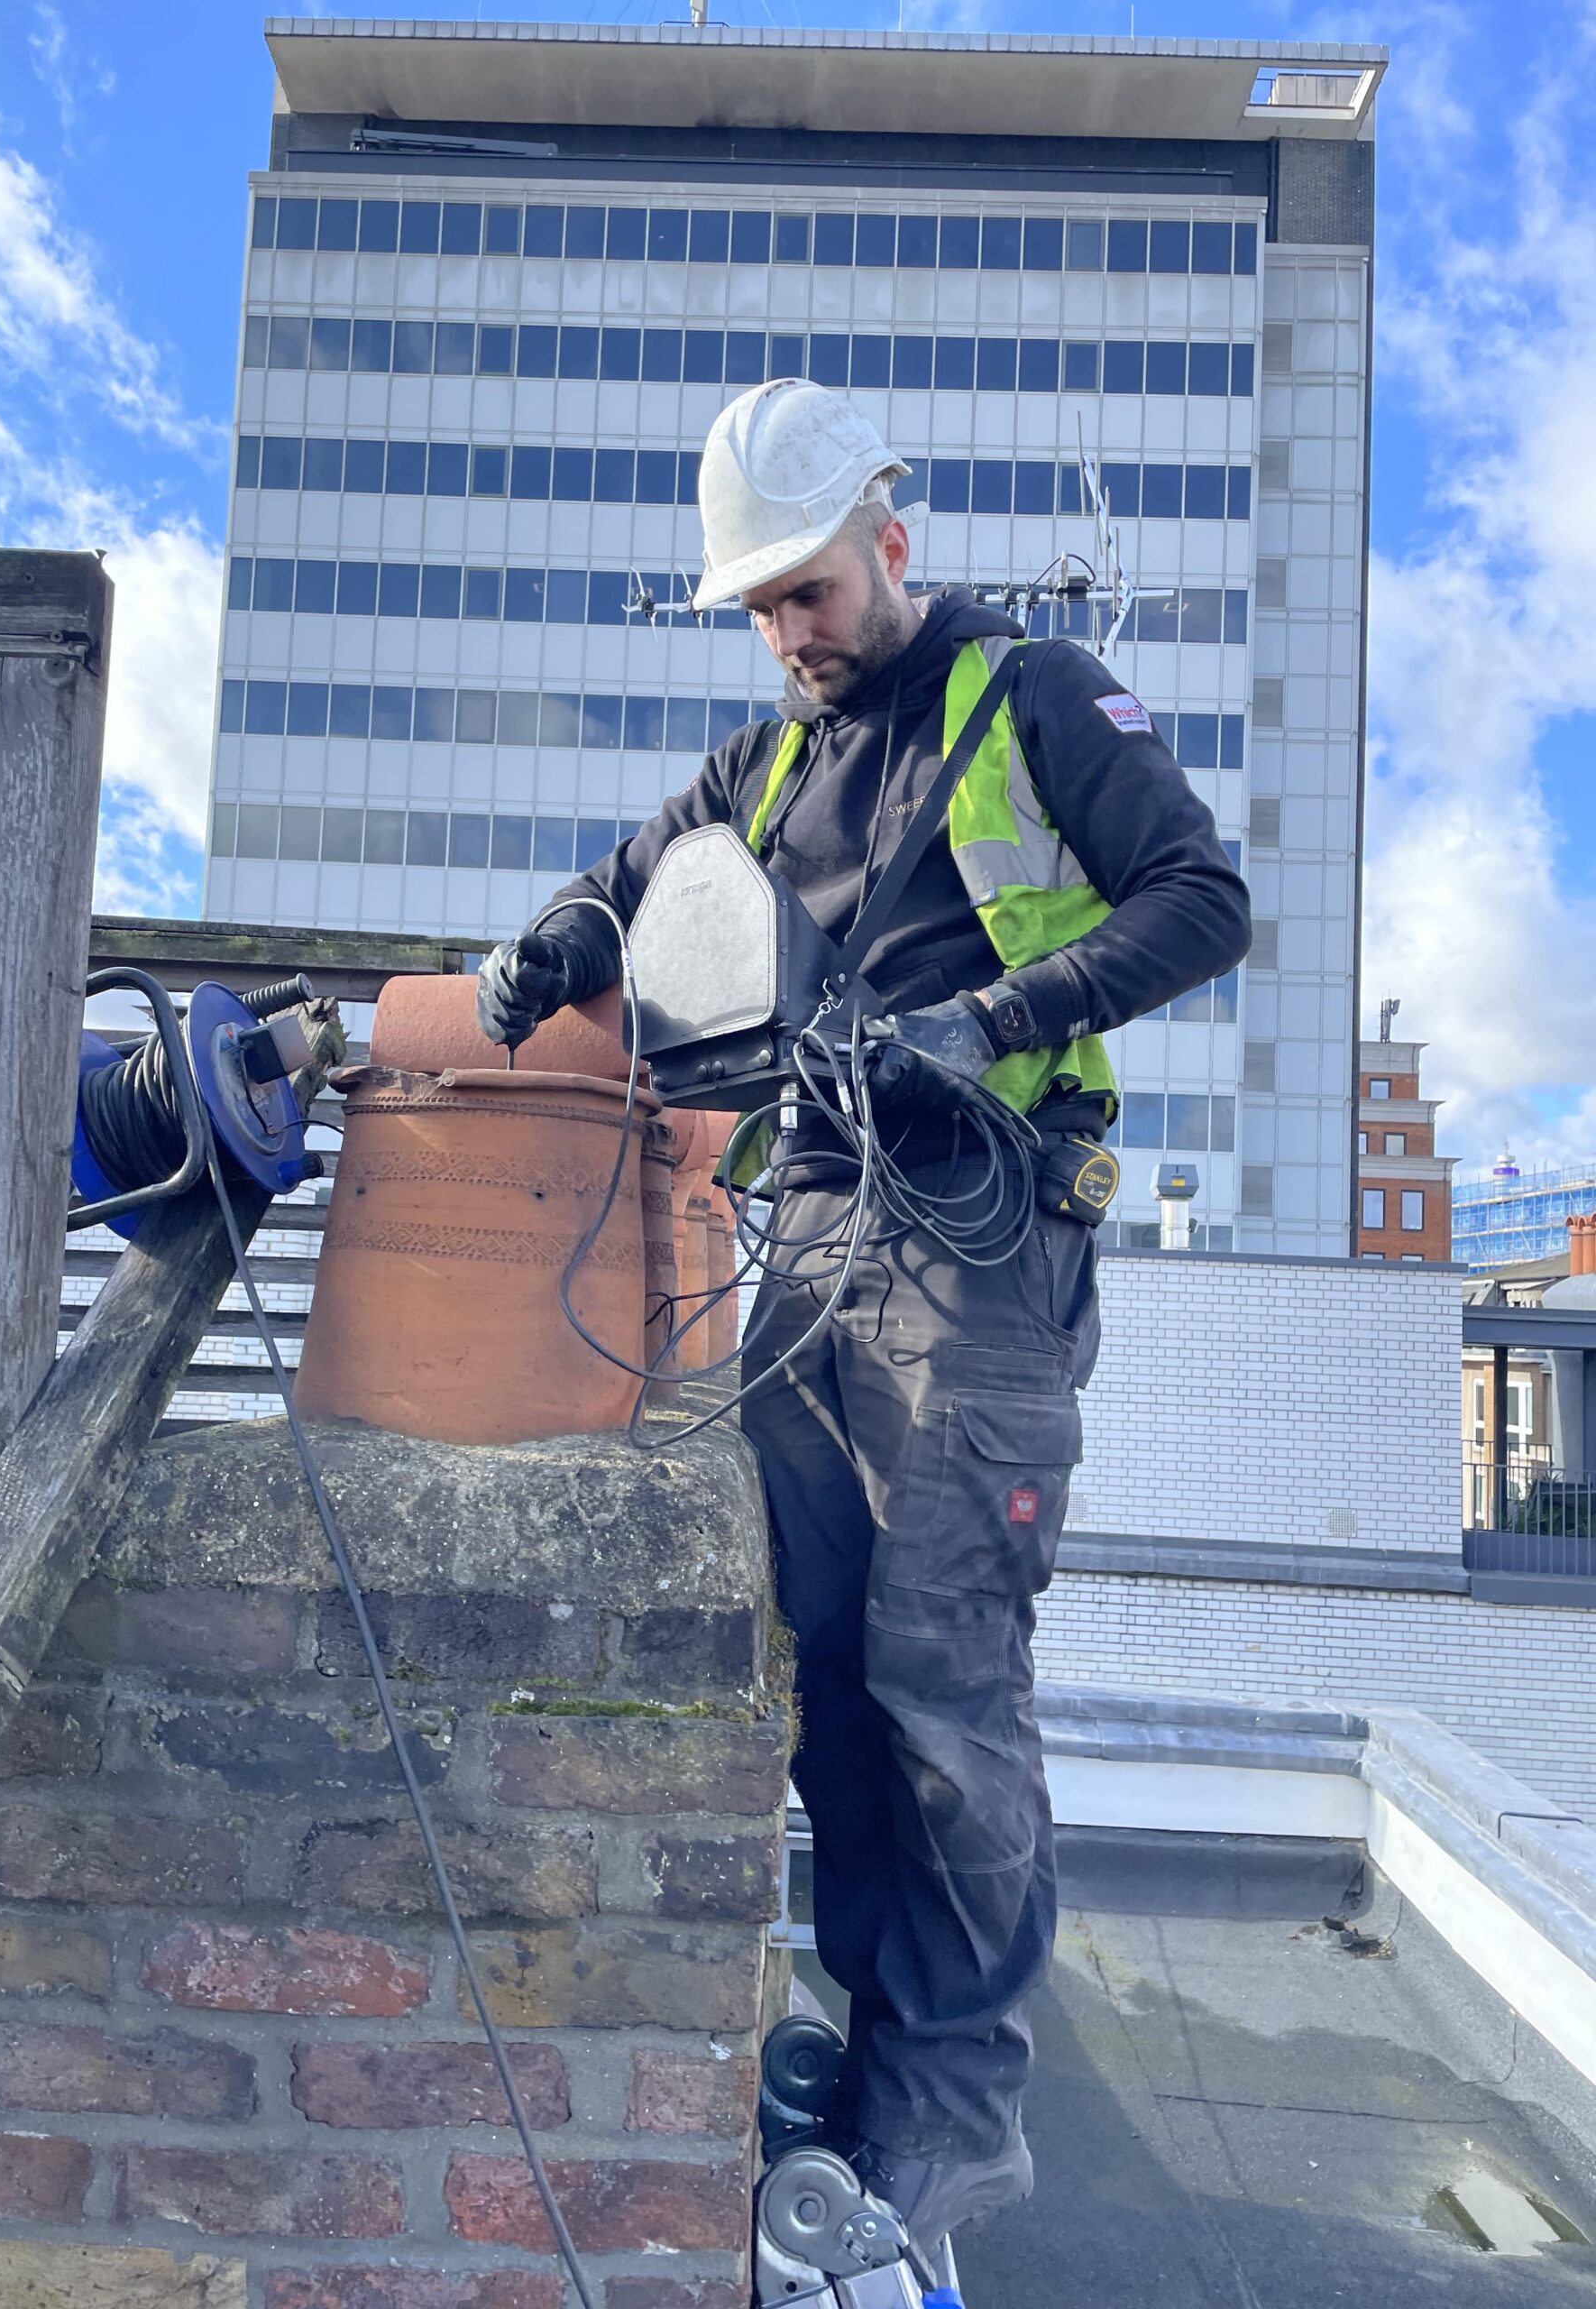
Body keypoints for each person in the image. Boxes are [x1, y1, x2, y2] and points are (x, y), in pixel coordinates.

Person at [477, 379, 1251, 2257]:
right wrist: (559, 939)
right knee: (822, 1656)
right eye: (760, 605)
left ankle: (957, 2116)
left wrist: (980, 1022)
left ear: (888, 541)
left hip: (981, 1248)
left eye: (811, 590)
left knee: (941, 1678)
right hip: (813, 1246)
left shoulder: (1031, 699)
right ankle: (879, 2042)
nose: (792, 632)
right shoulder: (760, 772)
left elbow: (1204, 898)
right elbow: (631, 880)